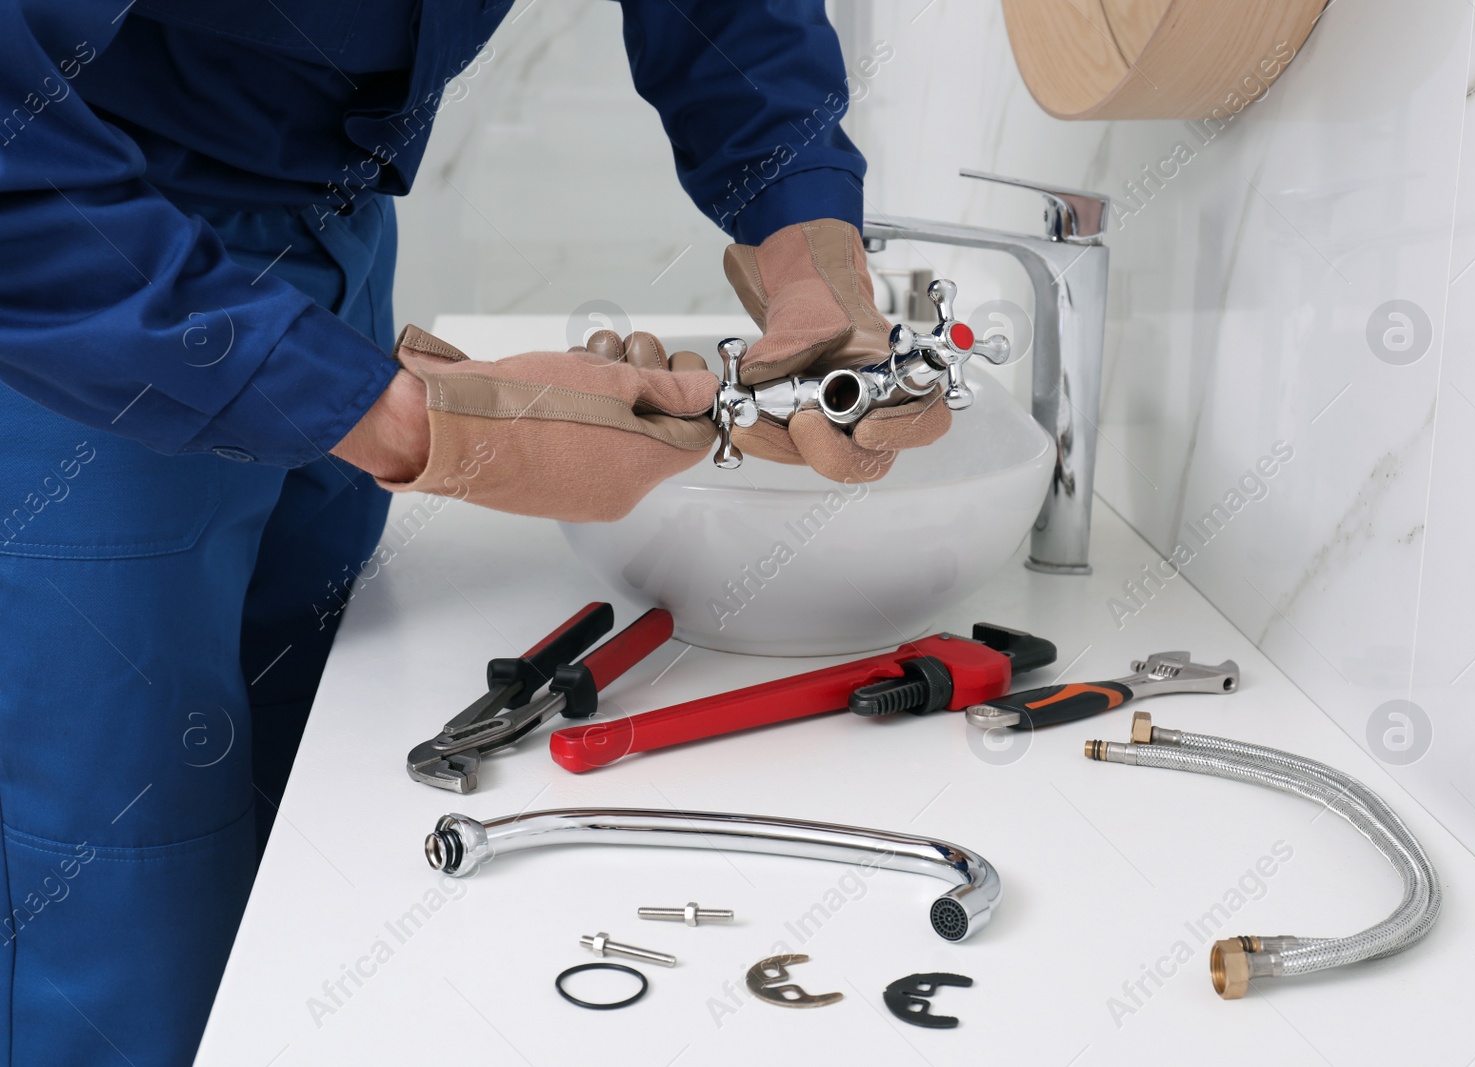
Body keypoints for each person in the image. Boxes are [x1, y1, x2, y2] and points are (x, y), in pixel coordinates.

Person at [0, 1, 948, 1062]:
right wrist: (404, 419)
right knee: (124, 903)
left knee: (312, 830)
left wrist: (805, 236)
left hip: (331, 248)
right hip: (87, 289)